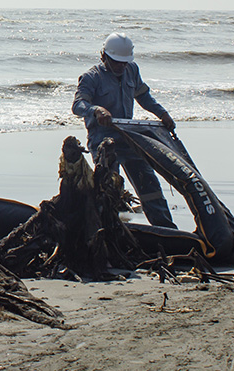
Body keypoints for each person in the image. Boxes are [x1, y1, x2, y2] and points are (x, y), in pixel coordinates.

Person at [72, 32, 177, 228]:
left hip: (129, 138)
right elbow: (78, 105)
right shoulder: (91, 78)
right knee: (108, 188)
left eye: (124, 62)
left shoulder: (132, 71)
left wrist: (162, 113)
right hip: (103, 141)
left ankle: (165, 229)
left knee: (149, 184)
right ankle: (105, 228)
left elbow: (143, 97)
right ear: (104, 57)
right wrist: (97, 110)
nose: (121, 66)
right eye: (117, 62)